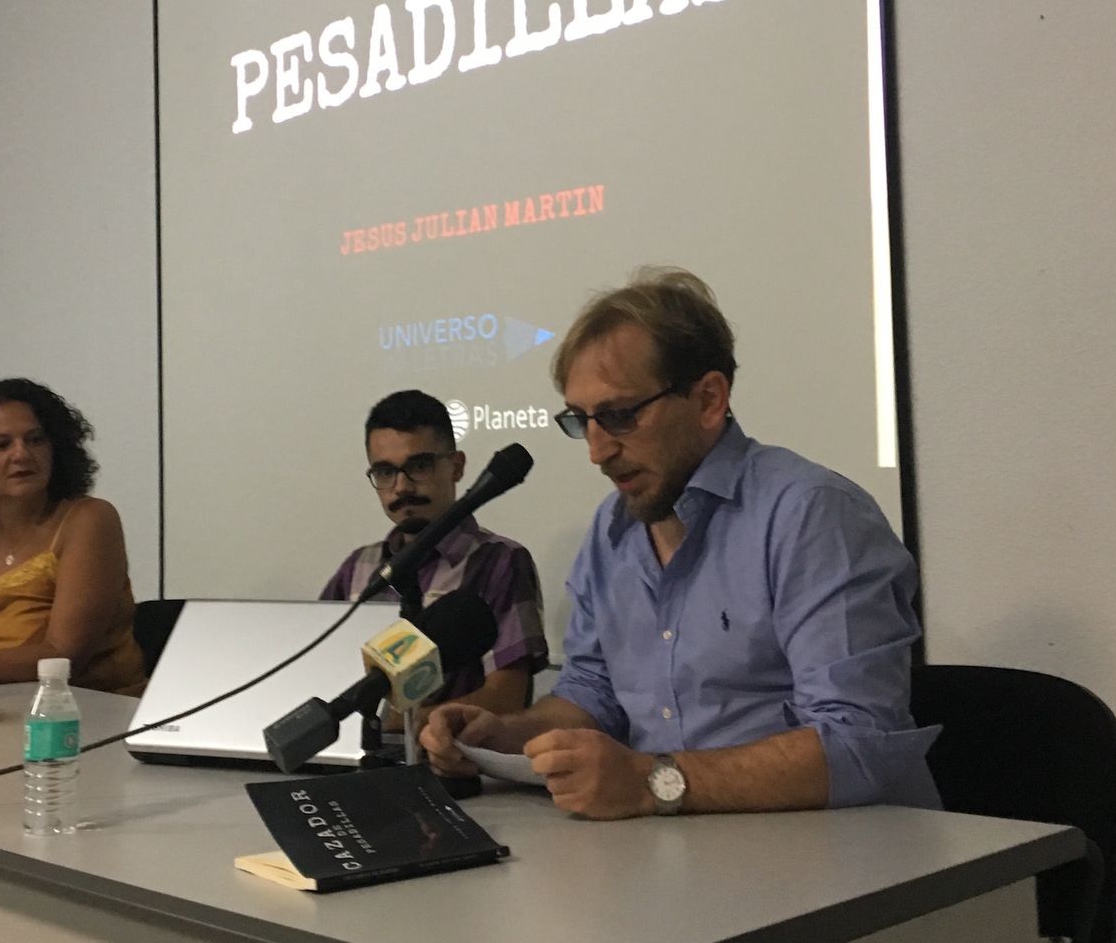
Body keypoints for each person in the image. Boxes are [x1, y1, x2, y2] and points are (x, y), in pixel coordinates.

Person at [421, 268, 938, 818]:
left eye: (619, 416)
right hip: (679, 855)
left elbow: (858, 742)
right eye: (582, 421)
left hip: (847, 859)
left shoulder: (812, 516)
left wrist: (651, 782)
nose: (598, 451)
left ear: (709, 399)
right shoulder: (611, 531)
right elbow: (594, 695)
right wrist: (504, 734)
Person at [0, 378, 146, 695]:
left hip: (85, 708)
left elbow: (62, 657)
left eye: (35, 440)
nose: (21, 454)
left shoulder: (90, 519)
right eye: (0, 445)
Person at [321, 389, 548, 716]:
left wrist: (398, 726)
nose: (401, 487)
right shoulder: (359, 568)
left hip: (450, 760)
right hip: (351, 762)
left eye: (420, 466)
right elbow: (316, 674)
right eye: (385, 472)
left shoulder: (499, 561)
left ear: (456, 467)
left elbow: (505, 700)